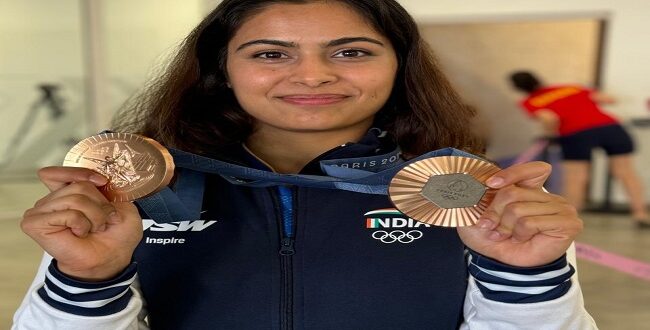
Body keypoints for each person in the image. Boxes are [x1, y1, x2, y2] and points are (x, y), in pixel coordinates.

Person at [14, 1, 595, 329]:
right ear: (222, 71)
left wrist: (526, 278)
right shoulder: (127, 196)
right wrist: (88, 280)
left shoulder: (475, 197)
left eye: (351, 51)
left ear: (400, 66)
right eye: (271, 53)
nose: (313, 75)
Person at [510, 71, 650, 228]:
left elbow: (549, 118)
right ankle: (641, 214)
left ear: (518, 88)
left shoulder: (530, 101)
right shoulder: (570, 88)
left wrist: (549, 134)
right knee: (626, 172)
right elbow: (608, 99)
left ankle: (571, 217)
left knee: (576, 178)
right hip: (610, 127)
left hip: (575, 133)